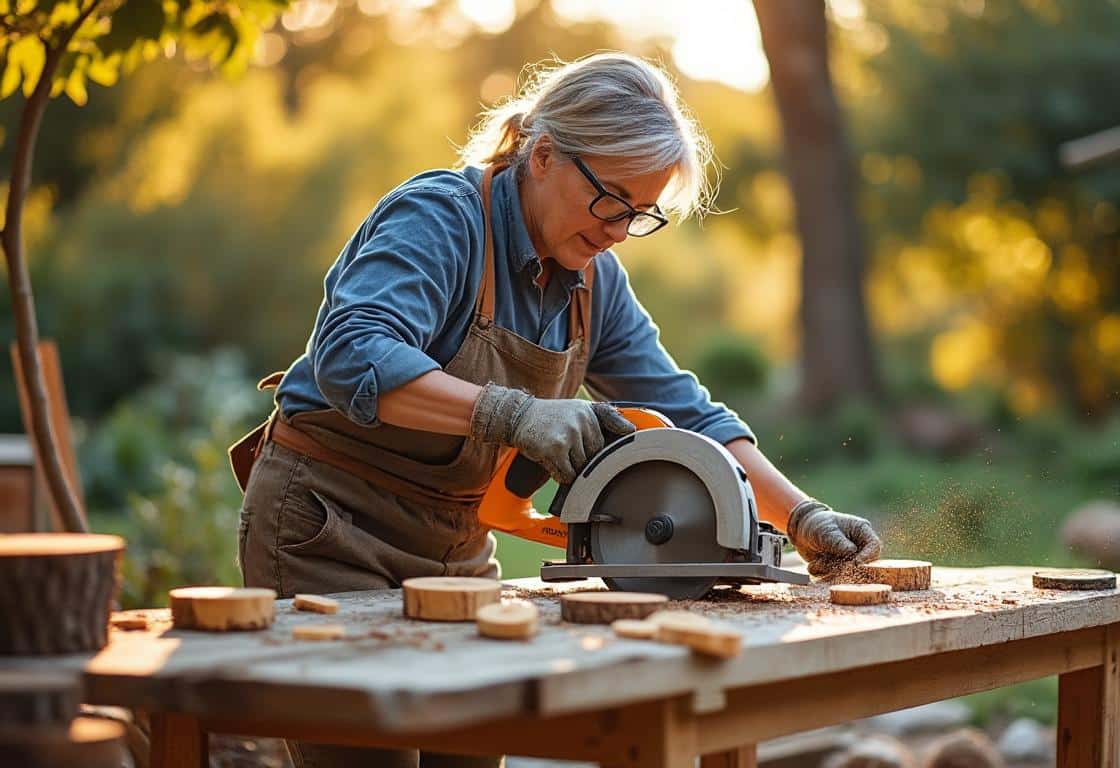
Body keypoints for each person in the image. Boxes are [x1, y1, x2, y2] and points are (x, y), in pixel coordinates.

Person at [230, 52, 882, 768]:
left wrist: (801, 516)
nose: (620, 229)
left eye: (642, 213)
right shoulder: (440, 219)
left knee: (473, 756)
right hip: (330, 528)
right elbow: (354, 354)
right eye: (613, 200)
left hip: (454, 546)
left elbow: (683, 410)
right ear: (543, 155)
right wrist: (510, 414)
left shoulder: (592, 279)